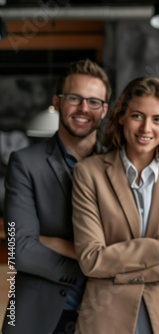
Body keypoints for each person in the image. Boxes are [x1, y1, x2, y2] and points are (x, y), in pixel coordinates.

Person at [2, 59, 111, 334]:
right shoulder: (24, 163)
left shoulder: (117, 163)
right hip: (35, 316)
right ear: (57, 102)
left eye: (94, 101)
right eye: (74, 98)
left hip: (103, 315)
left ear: (105, 109)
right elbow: (19, 250)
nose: (84, 108)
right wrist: (94, 265)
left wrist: (56, 245)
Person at [71, 77, 159, 333]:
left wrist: (120, 267)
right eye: (137, 116)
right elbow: (91, 259)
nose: (146, 128)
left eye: (157, 119)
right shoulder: (89, 173)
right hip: (104, 315)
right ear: (121, 117)